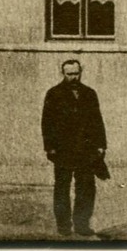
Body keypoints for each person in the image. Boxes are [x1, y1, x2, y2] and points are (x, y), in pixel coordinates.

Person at [41, 58, 107, 237]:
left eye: (76, 73)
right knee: (62, 187)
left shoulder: (89, 93)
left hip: (86, 150)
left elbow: (97, 120)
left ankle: (82, 224)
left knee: (86, 187)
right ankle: (63, 225)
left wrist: (101, 145)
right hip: (63, 150)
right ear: (62, 73)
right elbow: (47, 122)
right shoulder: (53, 94)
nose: (73, 77)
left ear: (81, 72)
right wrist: (50, 147)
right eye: (69, 74)